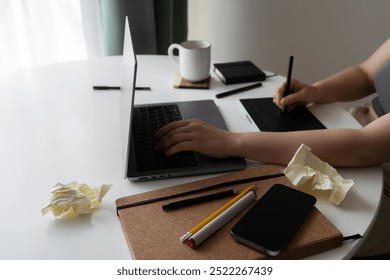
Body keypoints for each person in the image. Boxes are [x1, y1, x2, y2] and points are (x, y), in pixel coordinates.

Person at [155, 38, 390, 258]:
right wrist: (314, 91)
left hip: (379, 179)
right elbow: (366, 73)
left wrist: (230, 142)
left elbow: (365, 145)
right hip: (356, 124)